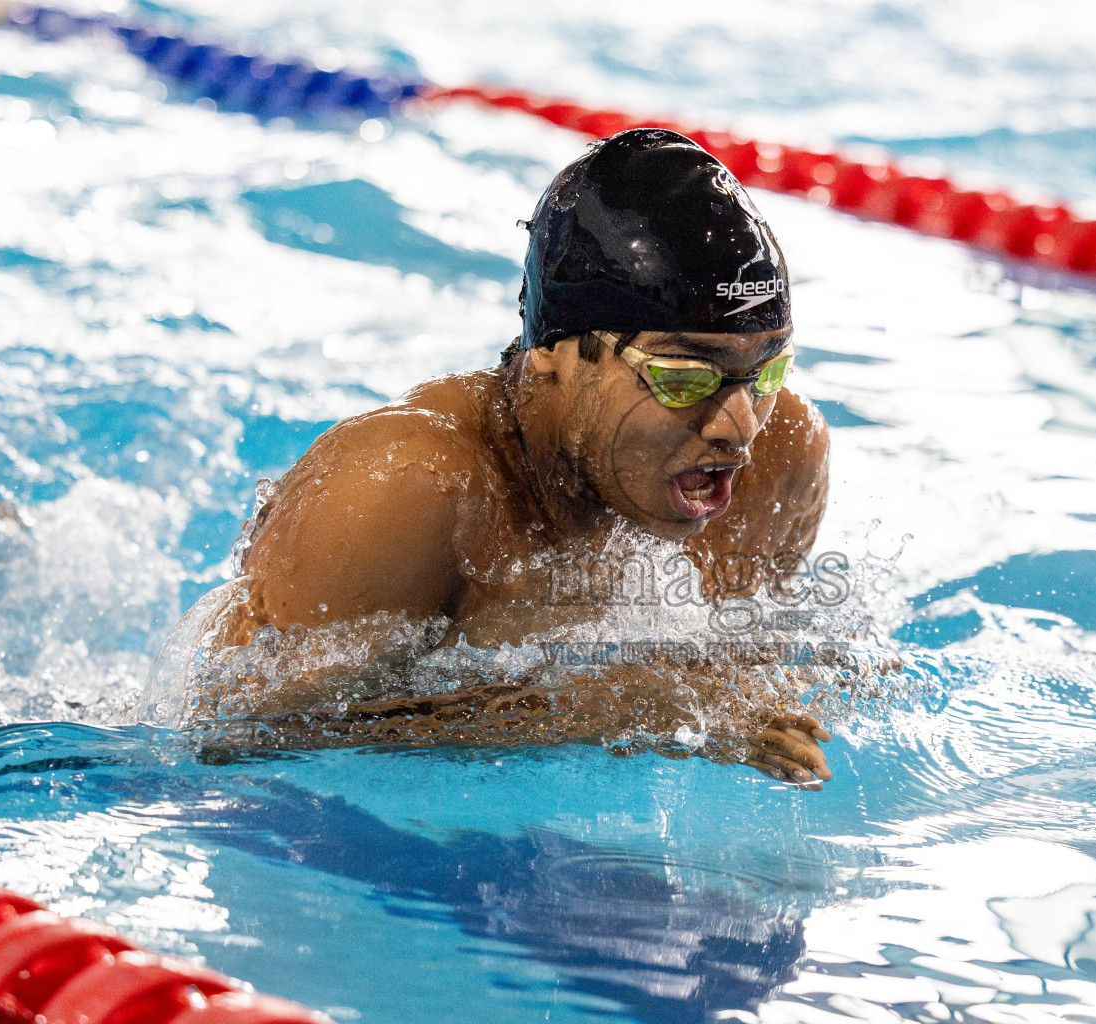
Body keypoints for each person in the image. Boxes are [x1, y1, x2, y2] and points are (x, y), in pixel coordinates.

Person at [211, 128, 834, 785]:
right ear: (554, 354)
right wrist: (598, 708)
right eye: (684, 378)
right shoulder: (401, 488)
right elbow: (235, 731)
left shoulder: (780, 457)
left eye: (765, 373)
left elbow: (745, 670)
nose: (738, 429)